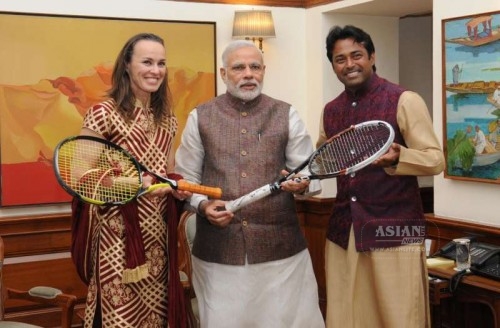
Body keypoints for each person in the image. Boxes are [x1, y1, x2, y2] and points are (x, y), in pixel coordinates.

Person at [175, 40, 325, 328]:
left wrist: (301, 184)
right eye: (239, 67)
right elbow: (186, 180)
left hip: (282, 254)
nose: (248, 74)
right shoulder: (200, 117)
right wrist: (203, 205)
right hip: (219, 255)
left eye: (255, 67)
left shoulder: (286, 114)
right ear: (223, 73)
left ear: (264, 71)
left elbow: (309, 175)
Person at [319, 25, 445, 328]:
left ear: (372, 56)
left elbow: (435, 160)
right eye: (340, 59)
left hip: (395, 231)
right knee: (347, 318)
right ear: (333, 65)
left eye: (356, 55)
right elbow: (324, 160)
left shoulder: (404, 99)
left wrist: (399, 157)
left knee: (400, 317)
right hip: (343, 233)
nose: (349, 64)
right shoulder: (331, 110)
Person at [71, 33, 190, 328]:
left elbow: (167, 169)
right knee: (120, 319)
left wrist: (176, 186)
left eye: (161, 63)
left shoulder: (168, 118)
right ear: (126, 65)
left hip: (159, 239)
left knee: (157, 319)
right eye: (147, 62)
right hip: (117, 237)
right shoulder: (103, 113)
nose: (156, 70)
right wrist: (132, 185)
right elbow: (78, 176)